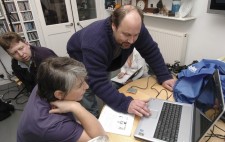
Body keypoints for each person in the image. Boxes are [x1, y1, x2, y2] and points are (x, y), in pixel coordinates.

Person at [67, 5, 176, 117]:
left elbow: (150, 51)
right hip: (79, 54)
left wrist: (164, 76)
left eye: (136, 35)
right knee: (86, 88)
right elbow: (97, 80)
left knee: (106, 82)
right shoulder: (95, 41)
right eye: (127, 35)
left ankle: (108, 109)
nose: (132, 40)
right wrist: (125, 103)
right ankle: (92, 116)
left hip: (102, 55)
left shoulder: (134, 28)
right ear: (114, 25)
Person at [17, 57, 106, 142]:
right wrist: (76, 107)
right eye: (80, 85)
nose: (87, 86)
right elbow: (101, 138)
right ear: (59, 94)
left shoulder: (46, 84)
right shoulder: (53, 125)